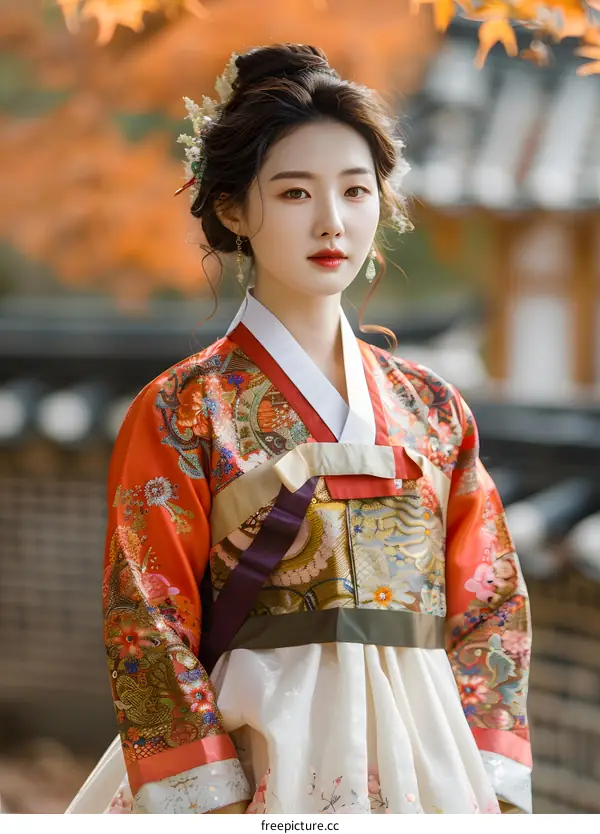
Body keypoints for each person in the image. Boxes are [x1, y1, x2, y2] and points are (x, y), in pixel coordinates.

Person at [66, 43, 532, 815]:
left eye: (355, 190)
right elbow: (147, 619)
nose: (331, 222)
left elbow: (492, 604)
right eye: (293, 193)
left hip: (431, 761)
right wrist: (211, 796)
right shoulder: (184, 409)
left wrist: (488, 774)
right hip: (257, 755)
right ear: (231, 209)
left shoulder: (435, 410)